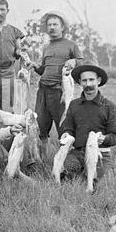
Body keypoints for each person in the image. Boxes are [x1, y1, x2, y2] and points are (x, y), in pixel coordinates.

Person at [27, 10, 83, 146]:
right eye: (49, 25)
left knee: (64, 128)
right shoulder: (46, 47)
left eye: (55, 24)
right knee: (41, 128)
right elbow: (43, 70)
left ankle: (65, 163)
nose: (52, 27)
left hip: (60, 92)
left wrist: (74, 62)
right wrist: (34, 65)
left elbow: (82, 62)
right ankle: (41, 162)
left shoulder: (71, 45)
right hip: (43, 92)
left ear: (62, 27)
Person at [60, 61, 116, 186]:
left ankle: (93, 176)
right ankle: (79, 173)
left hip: (100, 153)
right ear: (80, 82)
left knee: (103, 184)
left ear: (98, 80)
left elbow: (114, 137)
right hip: (78, 153)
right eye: (84, 81)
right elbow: (69, 128)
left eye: (92, 80)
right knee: (65, 176)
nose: (88, 84)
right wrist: (66, 134)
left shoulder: (109, 106)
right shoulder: (74, 105)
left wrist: (104, 138)